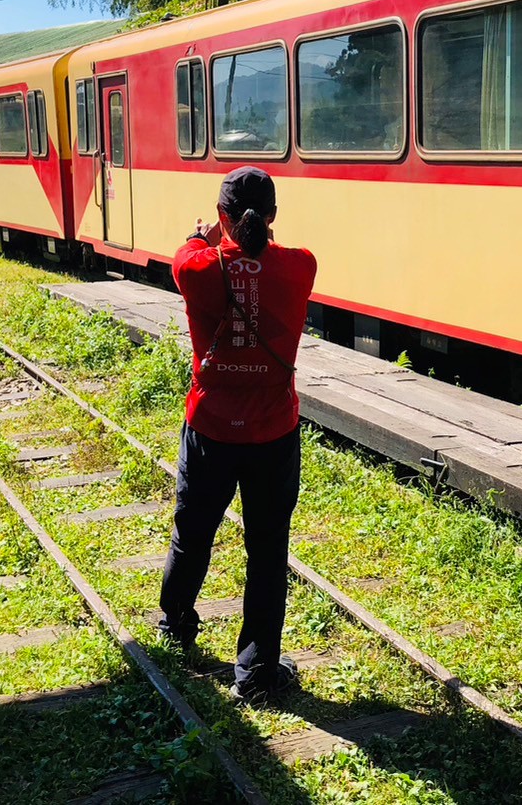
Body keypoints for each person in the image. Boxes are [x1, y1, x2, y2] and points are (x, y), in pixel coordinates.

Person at [158, 165, 317, 704]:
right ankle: (254, 674)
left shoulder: (197, 269)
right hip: (273, 435)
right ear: (272, 218)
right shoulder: (300, 268)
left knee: (193, 531)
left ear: (222, 218)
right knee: (267, 552)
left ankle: (174, 626)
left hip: (210, 430)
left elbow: (185, 255)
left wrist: (199, 236)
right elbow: (273, 257)